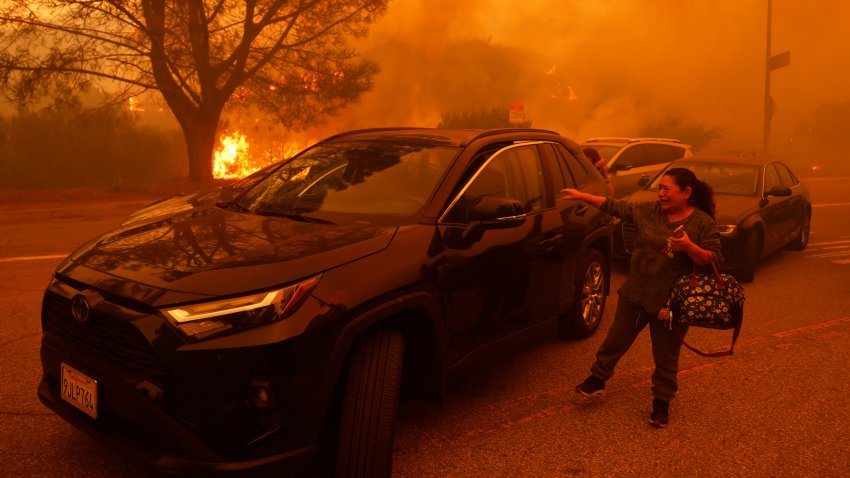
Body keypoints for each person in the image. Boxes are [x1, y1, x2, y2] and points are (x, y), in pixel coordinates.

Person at [560, 167, 721, 428]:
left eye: (666, 189)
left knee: (666, 357)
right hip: (636, 293)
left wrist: (689, 247)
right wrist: (582, 196)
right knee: (615, 341)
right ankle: (597, 379)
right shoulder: (649, 211)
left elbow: (714, 260)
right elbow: (617, 207)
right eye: (659, 188)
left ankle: (661, 402)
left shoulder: (702, 223)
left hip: (671, 306)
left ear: (687, 192)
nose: (661, 194)